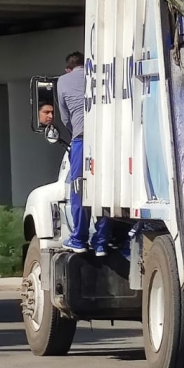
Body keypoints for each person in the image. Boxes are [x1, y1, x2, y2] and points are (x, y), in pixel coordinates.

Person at [56, 51, 110, 255]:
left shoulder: (63, 80)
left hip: (81, 138)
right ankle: (101, 241)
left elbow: (65, 117)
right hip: (105, 139)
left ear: (68, 69)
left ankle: (79, 238)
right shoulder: (98, 74)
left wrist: (76, 131)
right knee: (103, 189)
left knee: (79, 189)